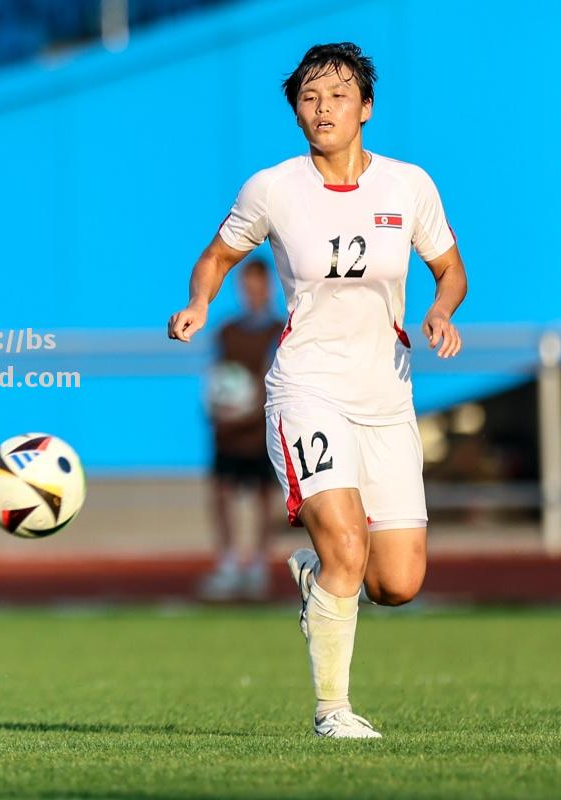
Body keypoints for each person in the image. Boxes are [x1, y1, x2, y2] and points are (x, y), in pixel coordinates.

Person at [168, 43, 466, 738]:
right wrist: (198, 302)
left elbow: (451, 269)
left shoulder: (408, 185)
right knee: (346, 548)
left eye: (337, 95)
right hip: (307, 387)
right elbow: (217, 255)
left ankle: (319, 578)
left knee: (397, 584)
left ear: (365, 107)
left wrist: (443, 309)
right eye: (308, 96)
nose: (322, 107)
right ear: (296, 111)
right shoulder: (273, 188)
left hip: (386, 397)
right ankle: (333, 712)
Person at [201, 259, 283, 600]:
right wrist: (216, 406)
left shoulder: (280, 329)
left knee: (264, 496)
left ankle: (259, 565)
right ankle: (230, 561)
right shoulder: (227, 331)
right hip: (228, 431)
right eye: (246, 286)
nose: (252, 293)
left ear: (268, 287)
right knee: (221, 493)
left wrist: (252, 407)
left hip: (261, 429)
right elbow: (219, 376)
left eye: (258, 286)